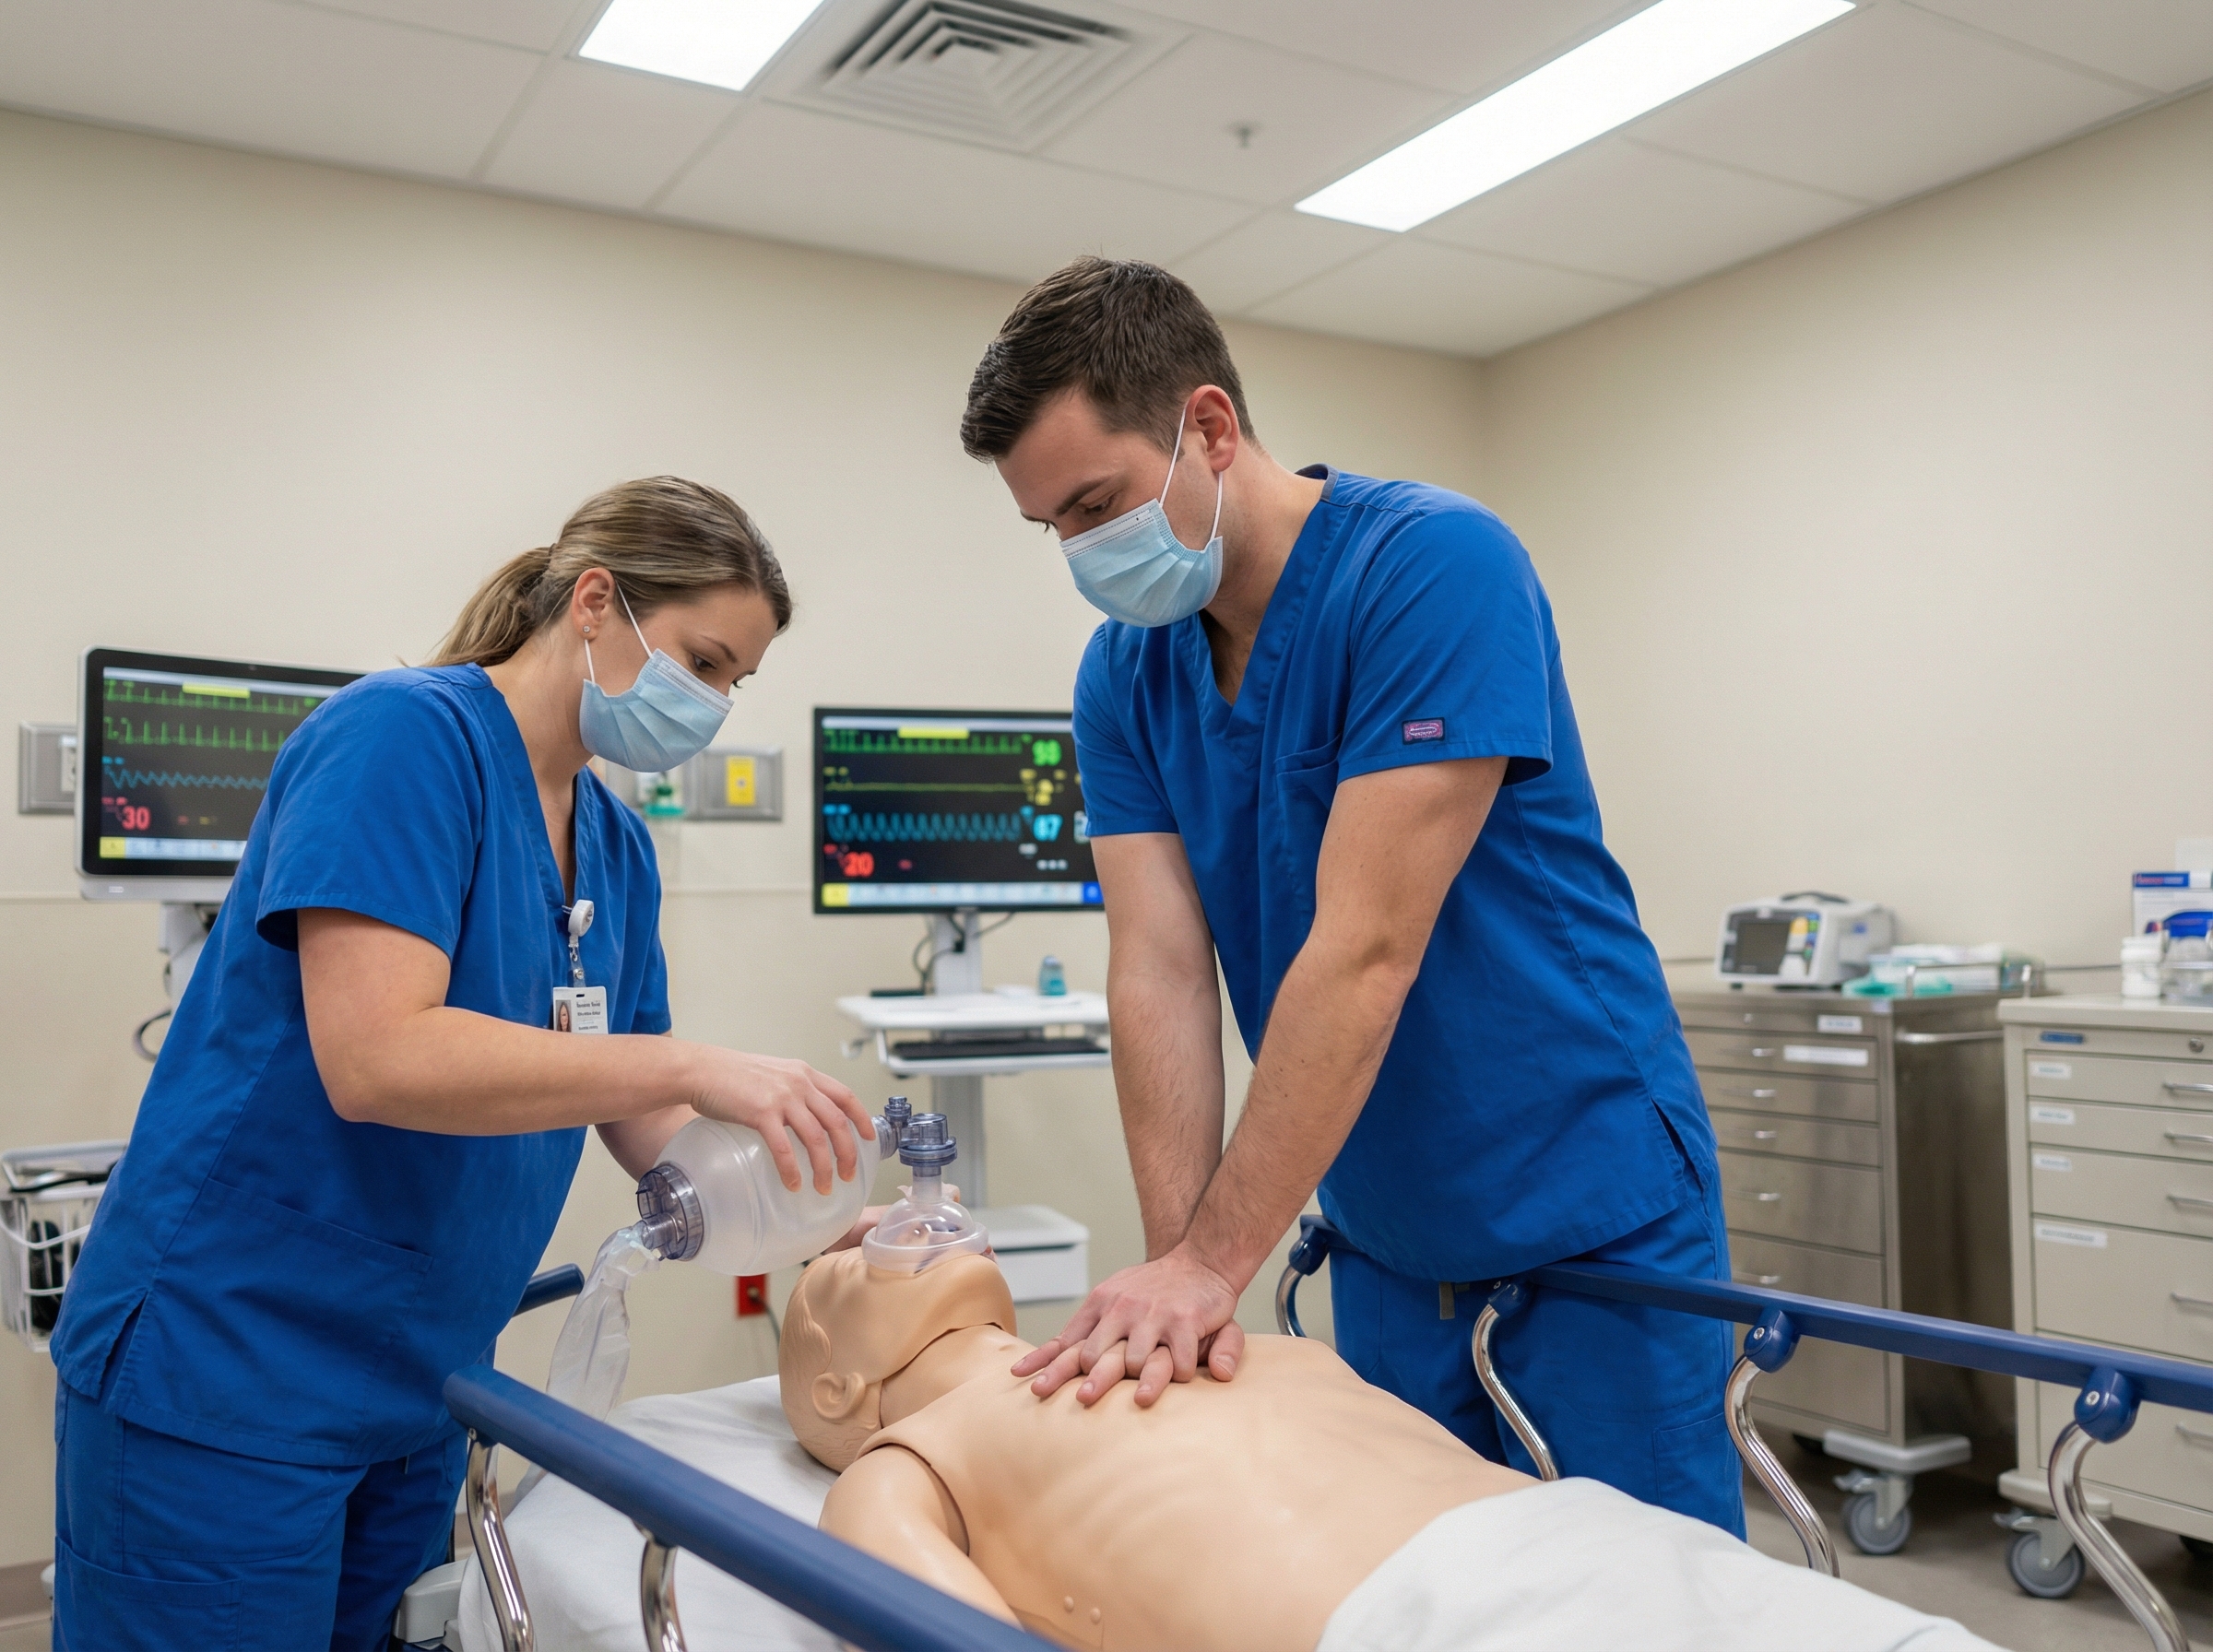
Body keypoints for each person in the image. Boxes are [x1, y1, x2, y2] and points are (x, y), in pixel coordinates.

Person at [958, 258, 1741, 1531]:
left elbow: (1365, 949)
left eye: (1095, 505)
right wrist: (1180, 1267)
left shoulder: (1435, 568)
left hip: (1579, 1197)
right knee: (1419, 1588)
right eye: (1051, 527)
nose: (1081, 553)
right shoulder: (1127, 675)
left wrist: (1217, 1259)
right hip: (1383, 1221)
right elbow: (1157, 967)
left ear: (1207, 427)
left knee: (1638, 1599)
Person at [49, 478, 876, 1652]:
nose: (714, 702)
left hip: (418, 1381)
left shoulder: (617, 848)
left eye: (736, 680)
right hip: (229, 1366)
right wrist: (697, 1059)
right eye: (703, 659)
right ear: (597, 601)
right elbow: (377, 1056)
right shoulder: (401, 740)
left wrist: (816, 1208)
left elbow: (645, 1119)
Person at [783, 1250, 2000, 1652]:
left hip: (1600, 1539)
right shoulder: (916, 1459)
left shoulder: (1195, 1336)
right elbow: (939, 1626)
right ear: (833, 1384)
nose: (878, 1228)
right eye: (833, 1265)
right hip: (1422, 1621)